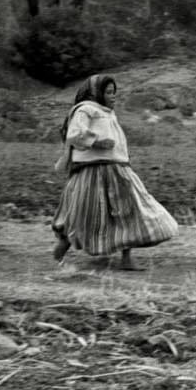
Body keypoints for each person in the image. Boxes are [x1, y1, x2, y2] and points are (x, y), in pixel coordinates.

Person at [52, 74, 178, 270]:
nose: (113, 96)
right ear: (96, 92)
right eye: (108, 92)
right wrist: (98, 142)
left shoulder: (108, 113)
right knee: (83, 213)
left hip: (117, 170)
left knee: (129, 212)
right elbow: (74, 135)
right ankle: (62, 248)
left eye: (114, 92)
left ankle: (126, 258)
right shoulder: (85, 110)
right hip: (92, 172)